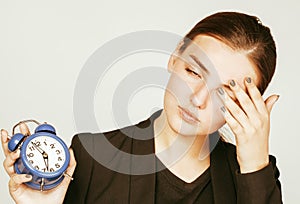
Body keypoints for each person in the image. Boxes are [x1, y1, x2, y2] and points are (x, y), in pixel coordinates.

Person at [1, 11, 283, 204]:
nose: (197, 98)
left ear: (251, 107)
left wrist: (255, 167)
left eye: (224, 93)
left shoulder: (256, 179)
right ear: (174, 58)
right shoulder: (90, 159)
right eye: (194, 72)